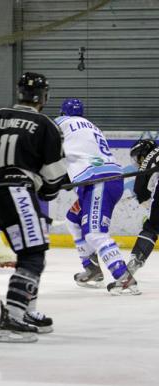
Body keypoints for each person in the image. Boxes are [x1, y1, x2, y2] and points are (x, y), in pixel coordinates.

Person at [0, 72, 67, 343]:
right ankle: (13, 317)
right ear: (44, 97)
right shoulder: (46, 124)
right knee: (33, 254)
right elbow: (54, 177)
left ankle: (27, 311)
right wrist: (50, 187)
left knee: (31, 248)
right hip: (19, 193)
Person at [54, 98, 138, 295]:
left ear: (62, 113)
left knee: (95, 232)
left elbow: (47, 145)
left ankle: (124, 278)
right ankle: (91, 269)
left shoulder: (61, 123)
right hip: (102, 180)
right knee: (73, 220)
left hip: (98, 181)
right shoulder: (93, 127)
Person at [125, 139, 159, 276]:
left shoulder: (147, 161)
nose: (138, 162)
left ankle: (136, 261)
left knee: (151, 227)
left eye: (138, 157)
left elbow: (140, 191)